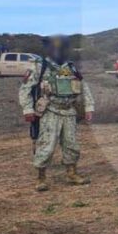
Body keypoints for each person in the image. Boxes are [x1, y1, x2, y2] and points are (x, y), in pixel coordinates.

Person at [19, 35, 95, 192]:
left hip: (69, 112)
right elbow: (25, 89)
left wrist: (89, 107)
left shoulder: (69, 67)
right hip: (50, 111)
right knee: (46, 145)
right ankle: (41, 178)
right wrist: (27, 109)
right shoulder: (40, 67)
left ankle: (72, 173)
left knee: (71, 145)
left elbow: (83, 87)